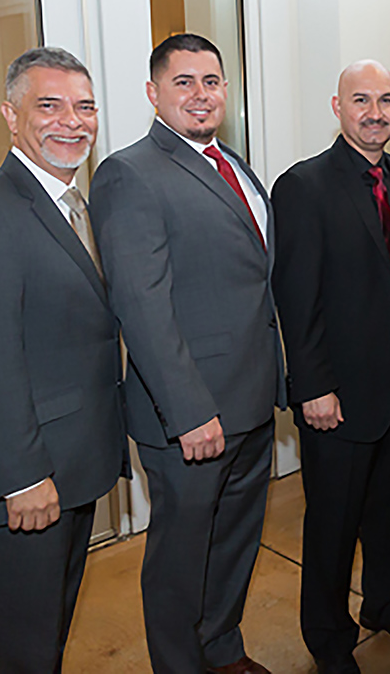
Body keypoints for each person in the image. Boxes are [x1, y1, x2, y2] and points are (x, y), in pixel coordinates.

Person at [89, 34, 285, 674]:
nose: (200, 95)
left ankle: (222, 651)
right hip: (191, 418)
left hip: (251, 403)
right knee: (180, 559)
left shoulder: (234, 164)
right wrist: (189, 412)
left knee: (233, 545)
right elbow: (141, 307)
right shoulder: (129, 172)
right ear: (153, 93)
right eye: (184, 82)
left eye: (211, 81)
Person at [0, 47, 127, 672]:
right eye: (49, 105)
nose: (72, 120)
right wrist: (21, 478)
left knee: (45, 643)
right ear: (11, 118)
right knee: (21, 657)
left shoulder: (75, 209)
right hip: (21, 488)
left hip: (69, 472)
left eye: (85, 105)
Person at [272, 60, 390, 674]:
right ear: (337, 107)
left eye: (387, 100)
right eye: (362, 100)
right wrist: (313, 386)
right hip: (338, 395)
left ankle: (386, 604)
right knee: (334, 524)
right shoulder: (303, 186)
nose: (376, 112)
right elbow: (296, 297)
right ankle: (327, 636)